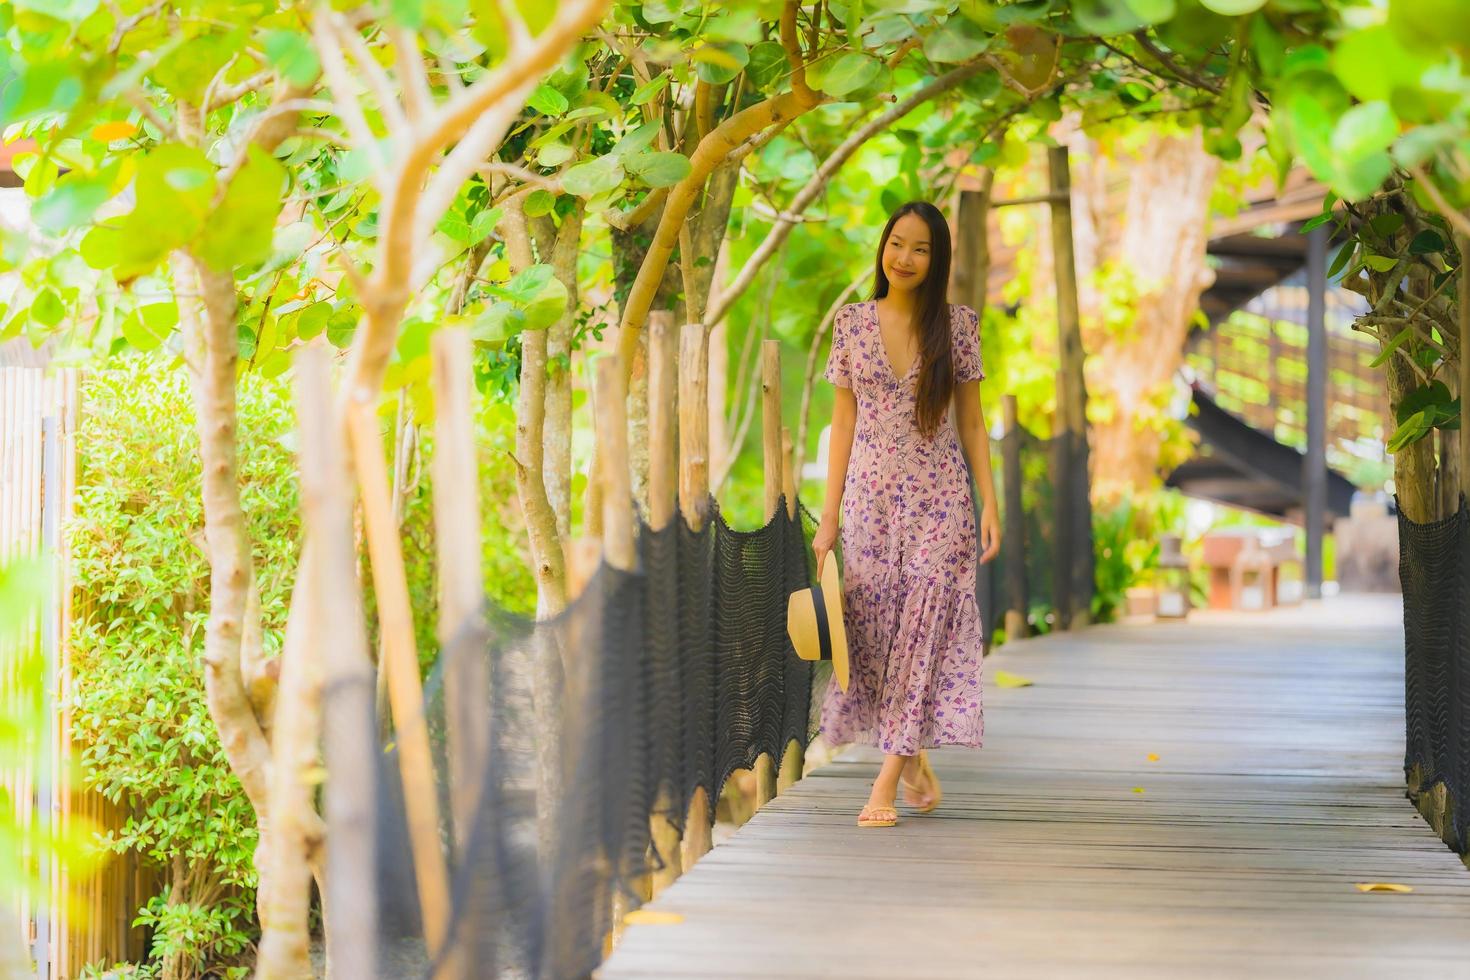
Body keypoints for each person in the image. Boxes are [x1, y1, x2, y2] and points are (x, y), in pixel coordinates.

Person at [811, 200, 1001, 828]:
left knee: (921, 631)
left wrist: (989, 501)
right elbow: (843, 421)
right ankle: (913, 753)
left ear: (937, 259)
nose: (906, 258)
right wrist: (830, 514)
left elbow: (972, 421)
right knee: (874, 637)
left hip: (940, 502)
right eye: (898, 243)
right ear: (883, 247)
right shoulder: (853, 324)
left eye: (921, 248)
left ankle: (886, 781)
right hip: (868, 504)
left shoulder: (960, 327)